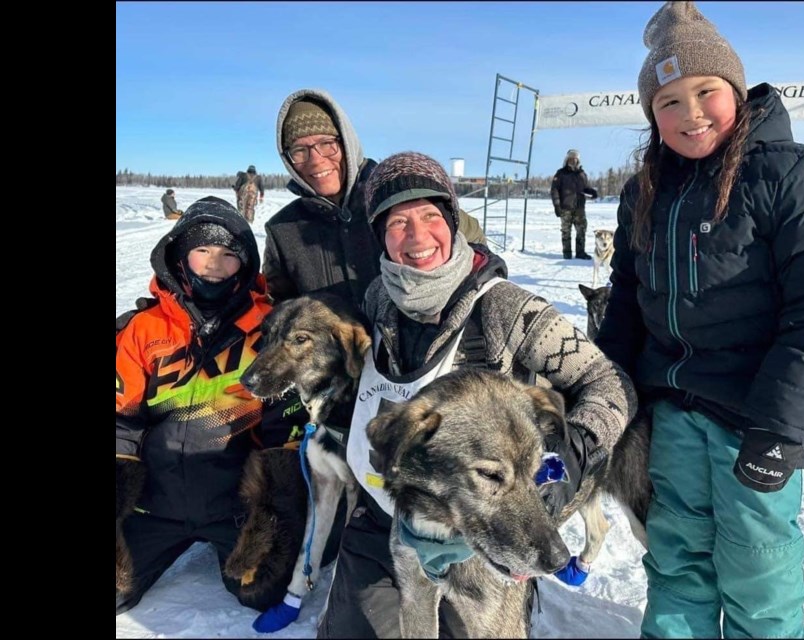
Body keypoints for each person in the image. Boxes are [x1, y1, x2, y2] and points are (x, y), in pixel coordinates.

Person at [595, 2, 804, 638]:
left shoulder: (792, 174)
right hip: (673, 413)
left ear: (735, 87)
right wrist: (603, 398)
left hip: (753, 417)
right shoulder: (646, 190)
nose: (691, 114)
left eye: (705, 91)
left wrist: (782, 431)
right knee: (677, 564)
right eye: (668, 102)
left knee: (758, 574)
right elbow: (627, 301)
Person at [319, 152, 637, 638]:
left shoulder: (507, 308)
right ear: (379, 236)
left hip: (491, 521)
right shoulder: (379, 302)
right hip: (398, 509)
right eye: (398, 221)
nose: (418, 235)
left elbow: (609, 382)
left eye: (431, 216)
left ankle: (521, 598)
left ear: (453, 222)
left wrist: (575, 453)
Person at [115, 196, 302, 617]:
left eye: (228, 254)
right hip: (152, 502)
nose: (214, 264)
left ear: (246, 263)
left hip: (234, 504)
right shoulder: (142, 329)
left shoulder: (270, 328)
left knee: (260, 591)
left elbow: (283, 428)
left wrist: (277, 506)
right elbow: (121, 418)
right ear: (180, 256)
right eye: (202, 251)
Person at [264, 89, 488, 307]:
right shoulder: (282, 230)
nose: (316, 160)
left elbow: (475, 248)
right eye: (299, 150)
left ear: (347, 143)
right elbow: (279, 310)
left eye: (327, 144)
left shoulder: (394, 195)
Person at [550, 149, 596, 260]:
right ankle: (567, 253)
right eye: (571, 158)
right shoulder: (561, 173)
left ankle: (580, 252)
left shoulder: (582, 174)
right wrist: (557, 205)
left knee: (581, 230)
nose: (573, 161)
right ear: (567, 160)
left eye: (575, 159)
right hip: (565, 207)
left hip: (579, 208)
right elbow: (554, 190)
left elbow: (586, 188)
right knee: (566, 231)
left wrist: (592, 192)